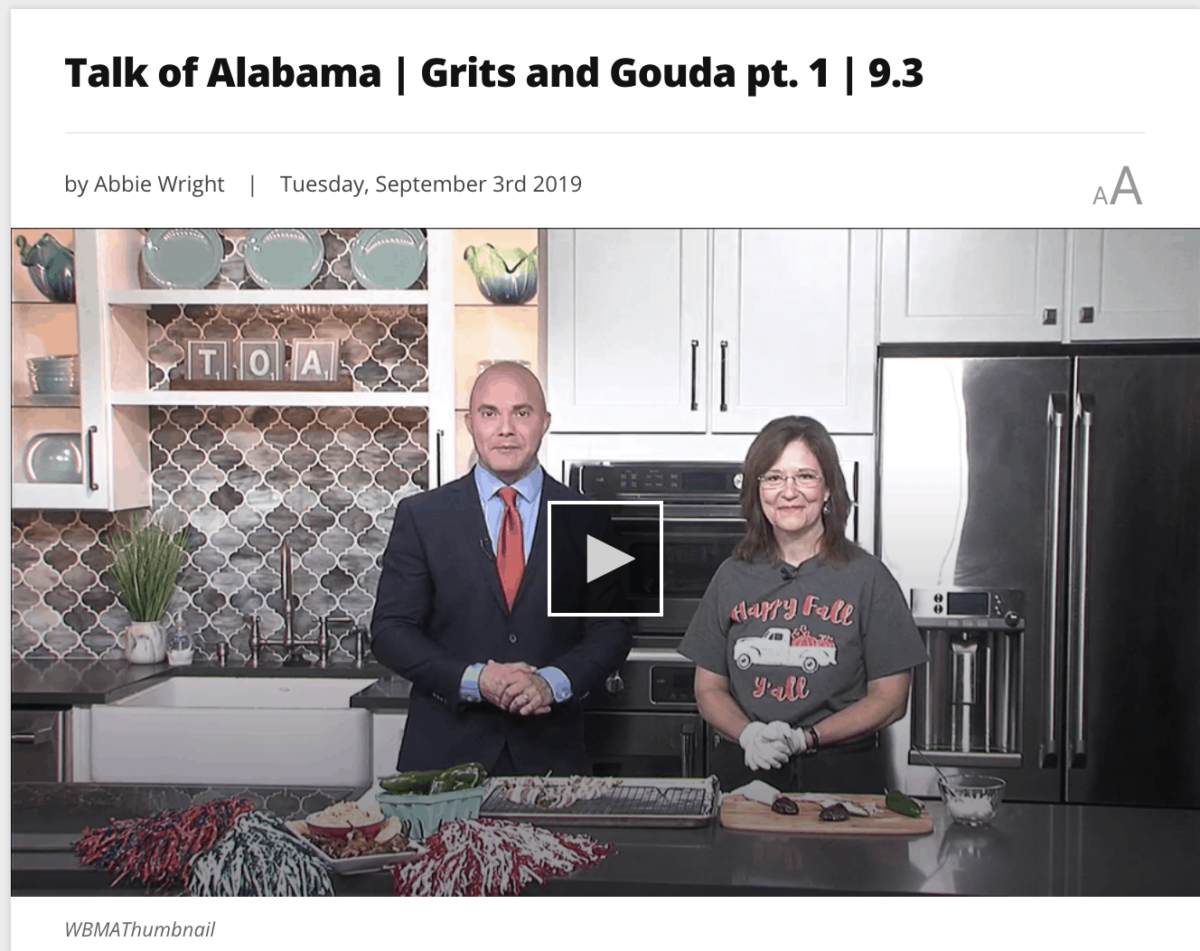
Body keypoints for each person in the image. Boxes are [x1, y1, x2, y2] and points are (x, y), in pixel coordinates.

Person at [370, 362, 632, 776]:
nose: (505, 428)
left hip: (551, 760)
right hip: (443, 760)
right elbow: (390, 632)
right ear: (469, 423)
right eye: (489, 413)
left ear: (545, 422)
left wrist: (551, 682)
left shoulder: (588, 518)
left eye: (522, 412)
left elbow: (611, 628)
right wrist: (476, 679)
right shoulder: (422, 516)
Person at [679, 416, 927, 793]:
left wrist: (806, 737)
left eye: (805, 476)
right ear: (757, 490)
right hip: (746, 775)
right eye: (774, 477)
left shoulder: (868, 578)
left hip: (843, 778)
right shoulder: (731, 576)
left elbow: (891, 699)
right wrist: (749, 735)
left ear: (828, 490)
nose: (789, 491)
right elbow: (708, 689)